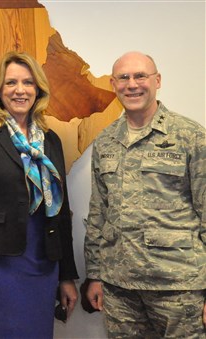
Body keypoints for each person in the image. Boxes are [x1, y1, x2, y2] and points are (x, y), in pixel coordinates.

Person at [0, 51, 79, 338]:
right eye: (11, 83)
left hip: (43, 264)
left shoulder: (50, 140)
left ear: (38, 90)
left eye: (28, 83)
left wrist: (66, 275)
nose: (20, 90)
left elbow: (61, 212)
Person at [85, 51, 206, 338]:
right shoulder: (106, 142)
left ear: (157, 80)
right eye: (124, 78)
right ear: (113, 84)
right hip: (120, 289)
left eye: (140, 76)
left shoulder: (190, 136)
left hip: (179, 288)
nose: (132, 84)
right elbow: (98, 213)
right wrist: (94, 274)